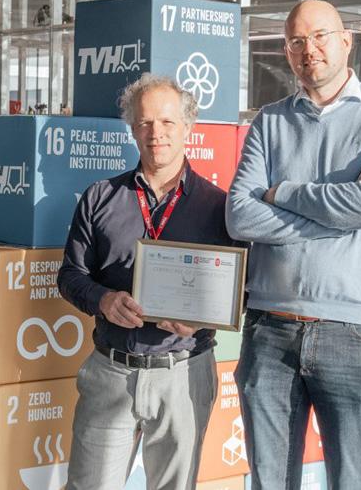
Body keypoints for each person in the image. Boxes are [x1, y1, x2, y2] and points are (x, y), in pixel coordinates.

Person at [226, 0, 361, 490]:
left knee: (352, 480)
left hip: (354, 331)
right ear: (286, 51)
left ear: (346, 41)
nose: (308, 49)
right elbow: (240, 215)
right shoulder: (269, 121)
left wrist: (283, 193)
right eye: (296, 41)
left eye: (319, 36)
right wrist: (341, 213)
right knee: (270, 482)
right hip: (270, 329)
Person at [58, 74, 233, 490]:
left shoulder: (218, 207)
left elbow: (237, 291)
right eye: (145, 123)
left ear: (188, 127)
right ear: (132, 129)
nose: (156, 133)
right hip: (111, 370)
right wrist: (102, 299)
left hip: (184, 372)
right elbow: (70, 275)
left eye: (168, 122)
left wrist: (201, 320)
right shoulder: (100, 197)